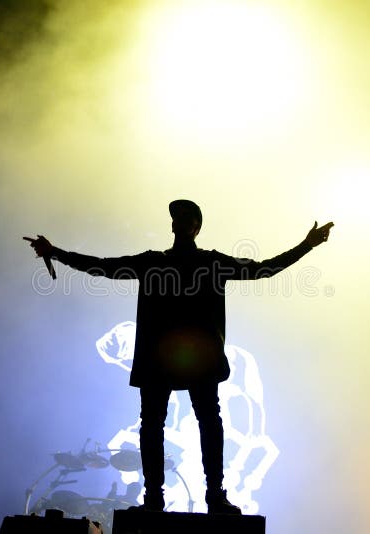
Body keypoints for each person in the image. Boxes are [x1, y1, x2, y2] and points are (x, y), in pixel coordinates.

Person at [24, 200, 333, 514]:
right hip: (176, 360)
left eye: (186, 218)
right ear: (175, 226)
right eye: (178, 218)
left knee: (193, 423)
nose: (180, 223)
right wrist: (56, 253)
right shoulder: (175, 263)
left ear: (194, 227)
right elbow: (103, 266)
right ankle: (168, 498)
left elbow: (263, 269)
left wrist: (306, 245)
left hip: (182, 360)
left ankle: (205, 496)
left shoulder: (189, 263)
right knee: (177, 423)